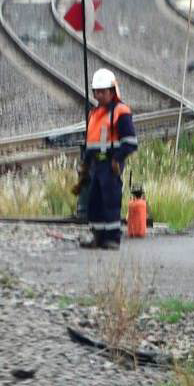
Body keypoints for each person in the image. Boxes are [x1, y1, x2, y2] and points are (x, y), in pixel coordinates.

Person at [81, 68, 137, 250]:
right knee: (94, 202)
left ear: (112, 91)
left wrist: (117, 159)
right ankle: (98, 237)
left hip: (111, 164)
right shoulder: (94, 114)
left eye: (102, 91)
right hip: (96, 165)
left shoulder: (121, 112)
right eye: (96, 91)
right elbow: (90, 143)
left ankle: (112, 239)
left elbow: (130, 142)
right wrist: (85, 165)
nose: (98, 95)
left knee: (110, 201)